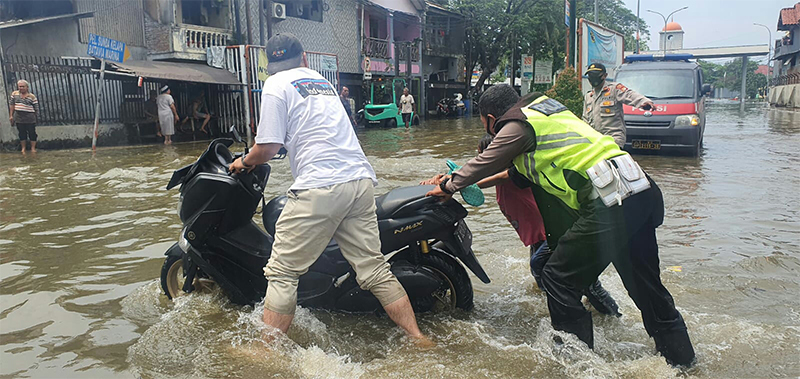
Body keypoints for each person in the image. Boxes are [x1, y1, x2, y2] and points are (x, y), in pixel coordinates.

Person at [425, 84, 695, 367]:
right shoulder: (548, 113)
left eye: (486, 125)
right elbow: (512, 174)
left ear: (492, 119)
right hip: (637, 189)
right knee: (647, 287)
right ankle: (683, 363)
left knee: (557, 278)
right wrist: (461, 179)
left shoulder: (518, 124)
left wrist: (449, 185)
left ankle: (579, 366)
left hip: (607, 200)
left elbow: (487, 159)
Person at [227, 33, 429, 345]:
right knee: (374, 269)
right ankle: (418, 338)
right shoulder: (322, 82)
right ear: (304, 58)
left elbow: (266, 147)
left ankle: (264, 353)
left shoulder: (274, 84)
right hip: (359, 181)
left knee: (282, 273)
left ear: (269, 65)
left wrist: (242, 162)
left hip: (320, 185)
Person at [422, 134, 621, 317]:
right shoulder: (492, 174)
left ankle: (612, 317)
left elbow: (494, 177)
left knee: (583, 283)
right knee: (542, 274)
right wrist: (443, 180)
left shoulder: (520, 172)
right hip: (540, 237)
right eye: (481, 156)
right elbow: (469, 172)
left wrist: (460, 183)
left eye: (489, 156)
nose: (484, 161)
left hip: (557, 232)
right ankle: (562, 306)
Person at [582, 63, 654, 148]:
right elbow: (585, 120)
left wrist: (643, 101)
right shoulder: (589, 96)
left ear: (605, 75)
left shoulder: (614, 89)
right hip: (595, 141)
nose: (593, 78)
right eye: (590, 75)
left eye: (595, 75)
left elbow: (629, 95)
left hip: (613, 139)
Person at [9, 80, 39, 154]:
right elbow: (12, 105)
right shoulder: (14, 94)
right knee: (22, 133)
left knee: (32, 133)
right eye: (20, 86)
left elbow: (36, 108)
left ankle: (33, 148)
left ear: (27, 87)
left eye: (23, 86)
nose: (21, 88)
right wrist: (11, 115)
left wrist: (36, 117)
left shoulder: (32, 97)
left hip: (30, 118)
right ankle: (23, 148)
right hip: (19, 118)